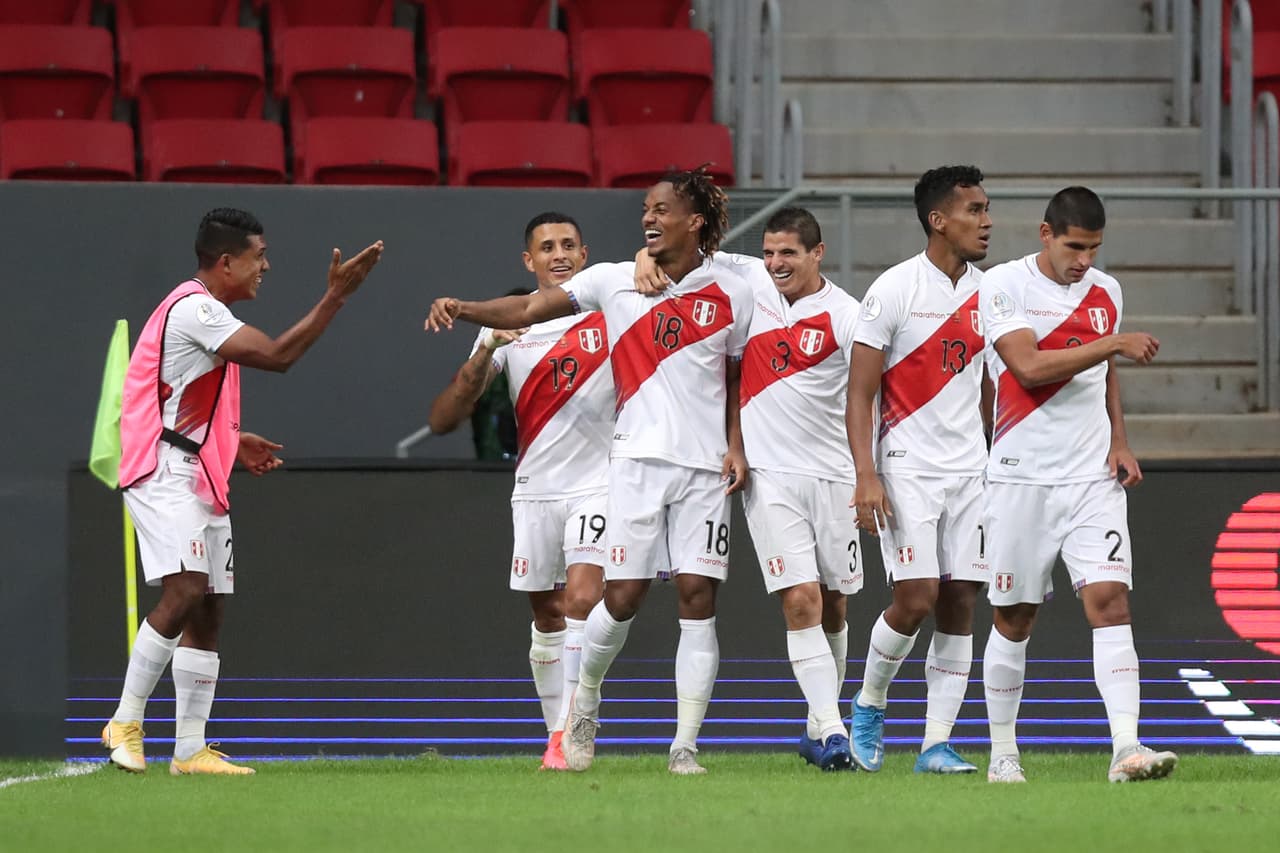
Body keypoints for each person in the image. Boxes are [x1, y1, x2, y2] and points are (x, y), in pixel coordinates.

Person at [428, 168, 753, 775]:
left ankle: (683, 746)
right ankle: (582, 705)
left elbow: (737, 370)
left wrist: (736, 443)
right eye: (644, 212)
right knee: (612, 601)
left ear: (695, 220)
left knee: (691, 594)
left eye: (660, 210)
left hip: (678, 470)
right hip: (598, 473)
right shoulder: (612, 284)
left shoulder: (736, 284)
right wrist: (467, 311)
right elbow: (524, 311)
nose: (648, 219)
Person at [102, 209, 383, 775]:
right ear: (226, 262)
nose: (267, 266)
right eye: (259, 256)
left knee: (208, 607)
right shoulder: (196, 308)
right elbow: (278, 356)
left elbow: (181, 394)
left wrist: (233, 440)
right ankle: (125, 720)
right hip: (164, 469)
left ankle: (189, 749)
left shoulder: (206, 311)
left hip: (199, 467)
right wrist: (335, 297)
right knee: (183, 592)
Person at [978, 186, 1175, 784]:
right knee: (1015, 616)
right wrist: (1113, 340)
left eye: (1093, 248)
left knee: (1111, 603)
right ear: (1045, 235)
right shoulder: (1003, 285)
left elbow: (1103, 374)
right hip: (1021, 478)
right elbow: (1029, 369)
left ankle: (1126, 751)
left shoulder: (1106, 291)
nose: (1084, 260)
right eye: (1073, 246)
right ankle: (1003, 754)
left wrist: (1119, 439)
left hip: (1090, 477)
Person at [426, 212, 610, 771]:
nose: (559, 254)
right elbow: (443, 419)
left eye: (568, 246)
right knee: (548, 615)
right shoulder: (508, 325)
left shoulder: (612, 311)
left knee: (581, 603)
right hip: (536, 487)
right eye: (546, 247)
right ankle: (557, 730)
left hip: (601, 483)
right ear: (528, 262)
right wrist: (483, 351)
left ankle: (575, 729)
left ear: (585, 255)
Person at [845, 165, 993, 774]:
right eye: (974, 211)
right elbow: (858, 395)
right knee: (915, 596)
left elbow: (990, 381)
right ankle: (870, 703)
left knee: (961, 597)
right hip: (906, 466)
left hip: (973, 469)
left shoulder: (992, 291)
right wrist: (865, 472)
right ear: (939, 220)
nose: (986, 222)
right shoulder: (893, 290)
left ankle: (936, 742)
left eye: (987, 210)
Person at [724, 208, 864, 771]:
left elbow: (871, 396)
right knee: (800, 598)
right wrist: (735, 443)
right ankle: (834, 730)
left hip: (834, 476)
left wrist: (871, 473)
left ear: (817, 253)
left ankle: (815, 725)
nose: (776, 263)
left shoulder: (848, 315)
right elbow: (685, 256)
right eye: (769, 253)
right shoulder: (748, 286)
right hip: (770, 476)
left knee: (835, 601)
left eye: (788, 253)